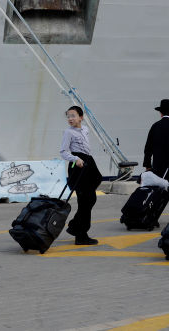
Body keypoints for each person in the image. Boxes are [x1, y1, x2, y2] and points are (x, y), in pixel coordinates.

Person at [60, 105, 103, 246]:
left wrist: (85, 159)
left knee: (91, 196)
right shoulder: (68, 133)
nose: (70, 119)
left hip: (88, 161)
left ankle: (75, 225)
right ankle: (81, 235)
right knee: (84, 199)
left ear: (81, 117)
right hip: (77, 164)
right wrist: (75, 159)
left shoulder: (85, 129)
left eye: (73, 116)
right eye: (68, 116)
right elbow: (64, 152)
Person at [142, 98, 169, 209]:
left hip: (157, 166)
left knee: (157, 192)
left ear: (160, 113)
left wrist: (148, 165)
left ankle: (152, 216)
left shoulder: (155, 126)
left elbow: (148, 148)